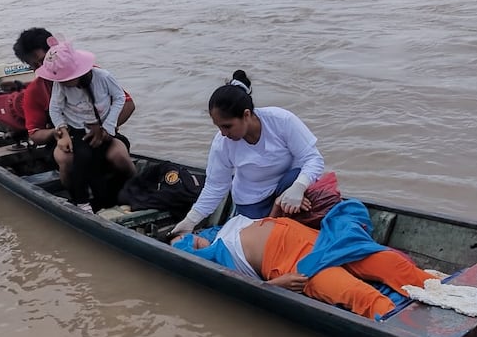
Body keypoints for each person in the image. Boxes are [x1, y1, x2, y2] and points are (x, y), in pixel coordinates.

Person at [170, 199, 439, 320]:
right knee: (360, 296)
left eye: (188, 237)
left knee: (393, 265)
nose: (187, 241)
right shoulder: (215, 261)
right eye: (184, 245)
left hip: (319, 240)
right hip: (294, 267)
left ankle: (447, 293)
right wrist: (278, 284)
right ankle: (417, 334)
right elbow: (240, 293)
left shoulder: (222, 229)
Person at [170, 70, 324, 235]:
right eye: (218, 127)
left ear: (246, 115)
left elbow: (313, 159)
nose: (223, 133)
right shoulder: (222, 144)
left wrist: (299, 187)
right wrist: (190, 220)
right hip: (253, 202)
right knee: (257, 239)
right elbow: (216, 186)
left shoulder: (282, 121)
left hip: (288, 191)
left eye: (227, 126)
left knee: (299, 182)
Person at [12, 27, 135, 188]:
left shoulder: (93, 74)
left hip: (103, 134)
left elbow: (127, 104)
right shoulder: (35, 91)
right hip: (66, 142)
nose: (42, 68)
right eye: (35, 65)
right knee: (68, 160)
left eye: (43, 61)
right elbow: (35, 133)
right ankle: (77, 200)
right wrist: (59, 132)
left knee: (119, 156)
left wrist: (106, 129)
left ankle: (136, 188)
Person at [35, 36, 136, 211]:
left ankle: (133, 191)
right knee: (82, 159)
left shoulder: (103, 77)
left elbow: (120, 98)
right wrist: (63, 131)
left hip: (105, 131)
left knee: (115, 158)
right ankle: (82, 201)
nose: (64, 82)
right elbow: (55, 110)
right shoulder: (61, 86)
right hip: (78, 132)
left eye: (67, 78)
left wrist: (108, 127)